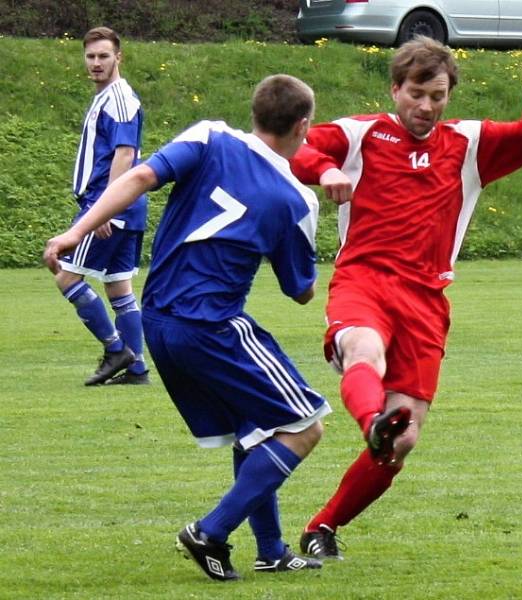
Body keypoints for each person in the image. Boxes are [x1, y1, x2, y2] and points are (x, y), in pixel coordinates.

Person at [44, 74, 331, 581]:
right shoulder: (297, 200)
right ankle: (210, 531)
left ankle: (272, 549)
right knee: (305, 426)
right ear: (304, 126)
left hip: (155, 321)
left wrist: (74, 232)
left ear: (255, 111)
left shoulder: (208, 135)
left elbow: (135, 179)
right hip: (211, 325)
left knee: (257, 426)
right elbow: (301, 291)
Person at [289, 36, 522, 560]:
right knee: (363, 351)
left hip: (425, 302)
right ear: (396, 88)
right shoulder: (360, 133)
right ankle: (373, 422)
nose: (426, 106)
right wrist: (324, 169)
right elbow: (295, 145)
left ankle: (321, 527)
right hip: (363, 281)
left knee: (405, 440)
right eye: (417, 93)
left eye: (437, 96)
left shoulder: (468, 144)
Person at [55, 26, 149, 386]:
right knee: (118, 287)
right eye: (91, 56)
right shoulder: (108, 96)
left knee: (65, 275)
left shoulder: (120, 99)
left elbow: (125, 155)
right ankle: (136, 367)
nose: (96, 63)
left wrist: (104, 209)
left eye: (103, 56)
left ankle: (116, 350)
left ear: (118, 57)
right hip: (124, 206)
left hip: (111, 205)